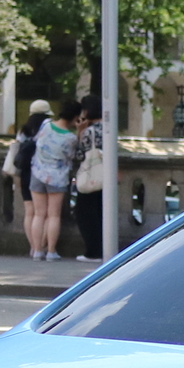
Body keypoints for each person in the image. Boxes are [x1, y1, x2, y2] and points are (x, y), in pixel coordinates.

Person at [24, 94, 82, 260]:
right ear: (76, 117)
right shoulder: (70, 138)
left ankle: (36, 250)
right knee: (53, 215)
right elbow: (73, 156)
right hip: (57, 177)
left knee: (38, 214)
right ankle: (50, 250)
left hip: (37, 173)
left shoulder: (45, 126)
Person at [69, 95, 108, 262]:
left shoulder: (89, 132)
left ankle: (93, 251)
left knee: (85, 214)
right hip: (105, 176)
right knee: (101, 213)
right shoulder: (108, 128)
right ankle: (104, 249)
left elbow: (79, 155)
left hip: (90, 176)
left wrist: (80, 132)